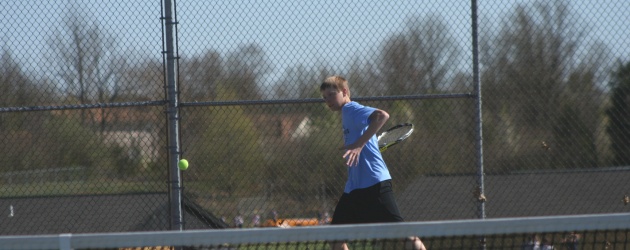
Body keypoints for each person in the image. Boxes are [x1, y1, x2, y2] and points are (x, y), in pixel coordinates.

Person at [320, 76, 426, 250]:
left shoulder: (352, 109)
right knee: (335, 236)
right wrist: (361, 143)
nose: (327, 100)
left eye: (331, 95)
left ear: (344, 92)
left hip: (374, 183)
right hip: (354, 188)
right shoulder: (347, 114)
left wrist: (359, 145)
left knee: (402, 233)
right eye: (324, 98)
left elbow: (382, 115)